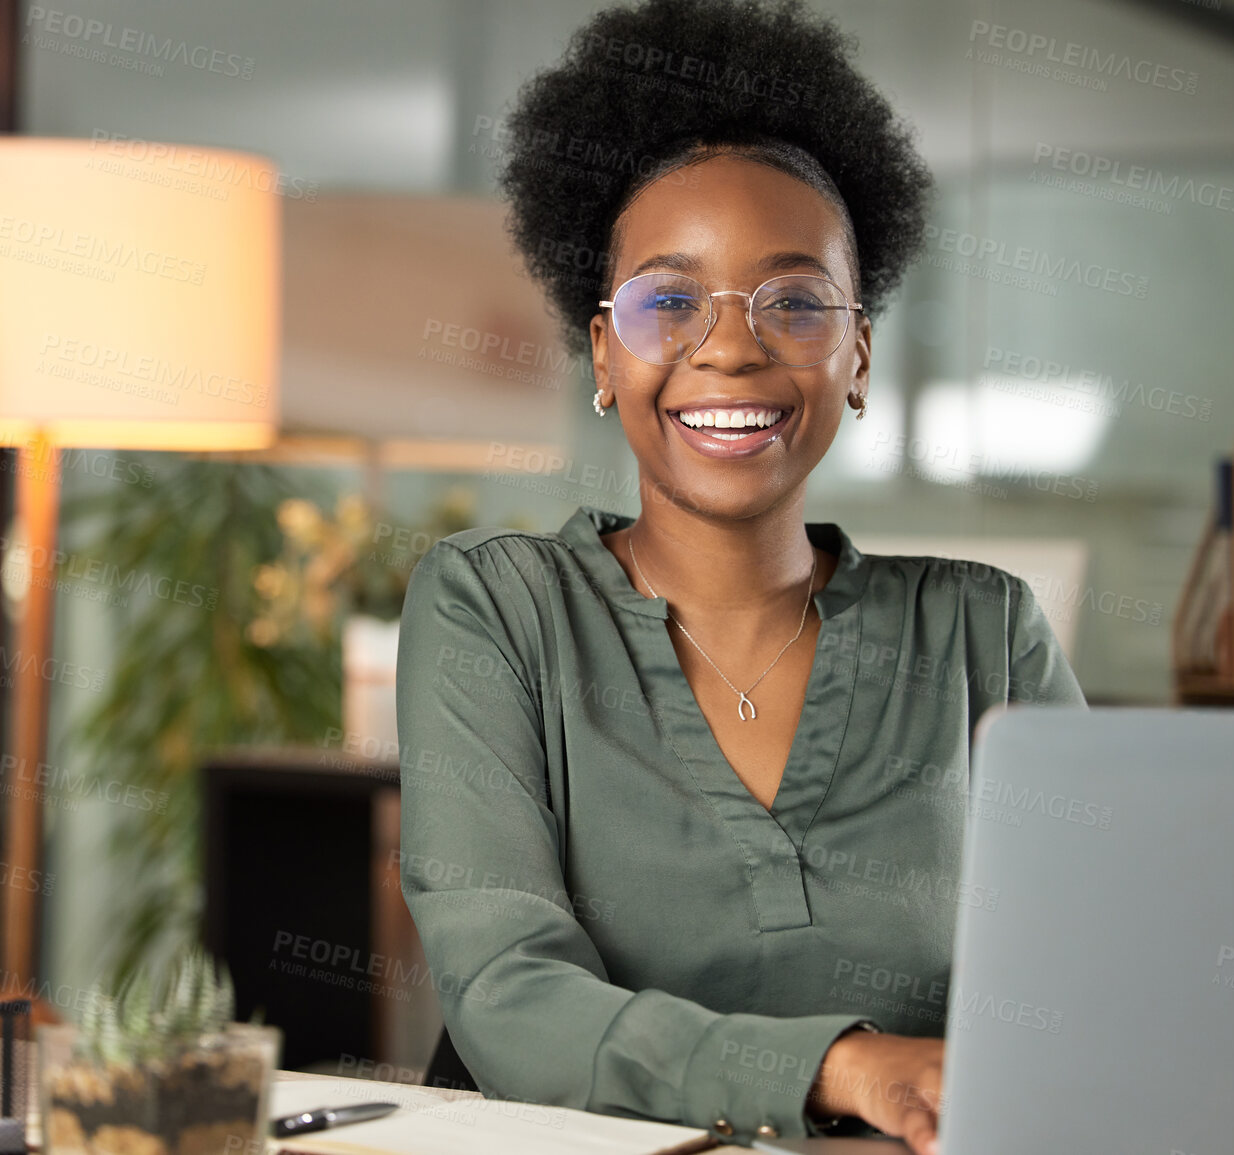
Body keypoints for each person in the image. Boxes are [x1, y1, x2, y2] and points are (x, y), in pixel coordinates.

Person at [395, 1, 1085, 1151]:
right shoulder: (497, 608)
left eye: (795, 300)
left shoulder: (983, 633)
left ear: (858, 353)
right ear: (603, 351)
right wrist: (846, 1068)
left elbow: (1090, 977)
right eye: (670, 300)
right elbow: (511, 998)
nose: (729, 347)